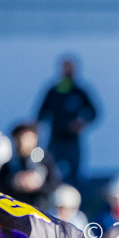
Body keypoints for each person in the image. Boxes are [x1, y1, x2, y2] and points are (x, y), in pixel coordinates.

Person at [37, 57, 97, 187]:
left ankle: (77, 202)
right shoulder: (53, 91)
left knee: (75, 175)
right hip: (55, 140)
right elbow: (41, 114)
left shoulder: (79, 91)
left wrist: (81, 122)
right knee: (48, 170)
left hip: (72, 141)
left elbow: (94, 112)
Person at [0, 123, 62, 211]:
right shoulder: (10, 165)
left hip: (41, 212)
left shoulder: (44, 160)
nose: (22, 142)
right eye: (19, 138)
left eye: (26, 138)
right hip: (15, 213)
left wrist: (37, 184)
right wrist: (13, 183)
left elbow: (55, 184)